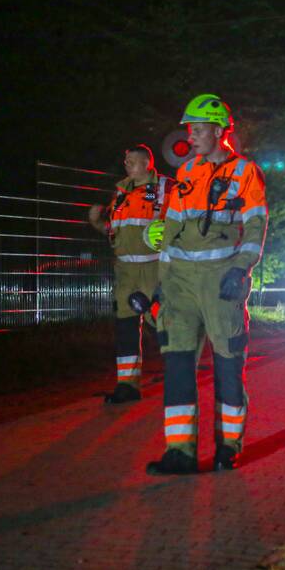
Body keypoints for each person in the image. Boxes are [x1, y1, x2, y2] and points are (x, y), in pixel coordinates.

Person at [147, 93, 268, 475]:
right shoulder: (186, 173)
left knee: (227, 364)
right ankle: (179, 453)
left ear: (218, 131)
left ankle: (227, 449)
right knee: (178, 364)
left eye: (197, 130)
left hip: (221, 282)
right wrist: (161, 283)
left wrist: (242, 268)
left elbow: (255, 224)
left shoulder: (244, 172)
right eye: (190, 129)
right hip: (181, 283)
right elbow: (170, 229)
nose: (191, 136)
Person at [88, 145, 173, 404]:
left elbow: (183, 224)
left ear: (148, 163)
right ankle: (127, 385)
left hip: (154, 268)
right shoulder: (121, 192)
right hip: (125, 271)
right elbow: (114, 233)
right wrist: (96, 223)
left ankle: (179, 374)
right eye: (126, 160)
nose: (128, 164)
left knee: (162, 322)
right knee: (126, 326)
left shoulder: (165, 189)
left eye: (133, 160)